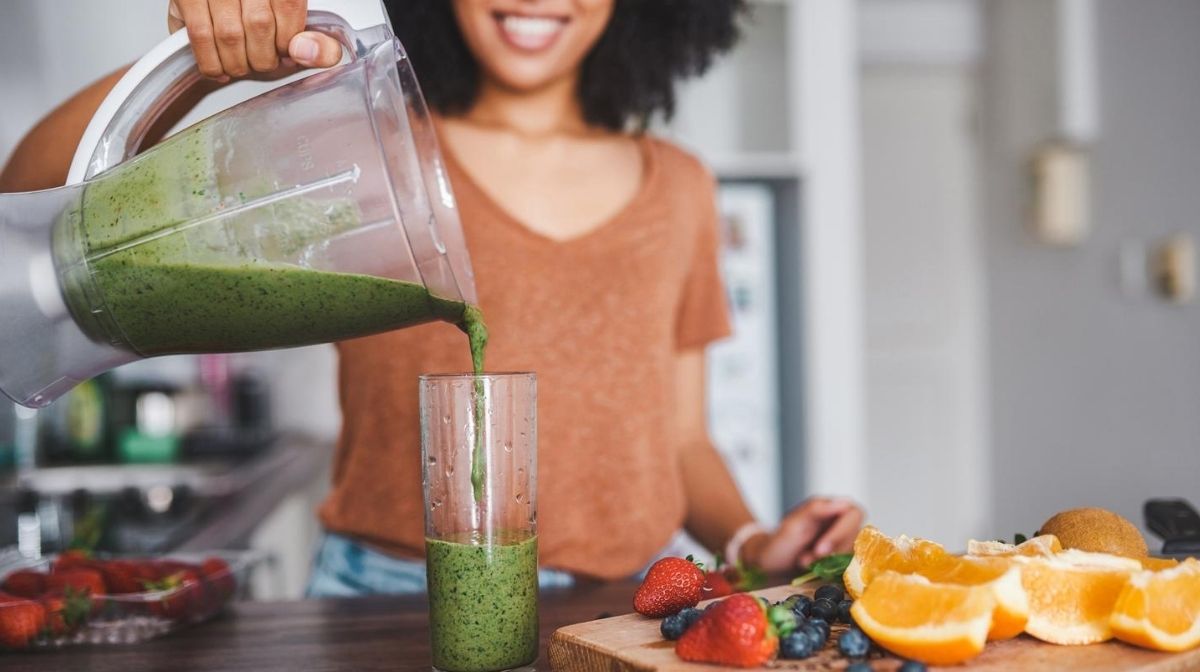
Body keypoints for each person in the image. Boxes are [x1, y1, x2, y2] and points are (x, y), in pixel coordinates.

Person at [1, 0, 864, 594]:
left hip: (633, 603)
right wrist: (211, 65)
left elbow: (681, 439)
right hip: (382, 596)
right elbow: (27, 192)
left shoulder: (678, 186)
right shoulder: (359, 142)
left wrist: (755, 545)